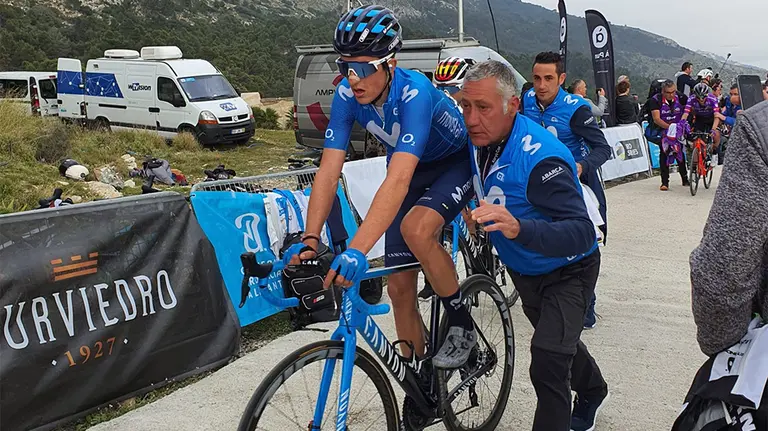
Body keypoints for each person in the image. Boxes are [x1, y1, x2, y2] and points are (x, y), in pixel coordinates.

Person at [284, 4, 476, 370]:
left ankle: (460, 319)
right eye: (344, 67)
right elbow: (327, 172)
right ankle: (420, 381)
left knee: (417, 230)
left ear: (390, 63)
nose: (352, 79)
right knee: (400, 291)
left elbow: (399, 180)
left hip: (453, 164)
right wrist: (311, 237)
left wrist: (356, 249)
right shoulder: (345, 98)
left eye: (361, 68)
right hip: (411, 169)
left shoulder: (415, 92)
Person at [461, 59, 610, 431]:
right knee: (560, 343)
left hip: (568, 270)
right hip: (526, 270)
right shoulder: (480, 140)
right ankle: (593, 389)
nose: (471, 118)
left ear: (512, 105)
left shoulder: (541, 159)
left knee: (547, 359)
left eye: (482, 108)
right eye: (466, 105)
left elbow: (581, 232)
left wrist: (518, 228)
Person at [687, 101, 768, 427]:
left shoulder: (760, 125)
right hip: (694, 129)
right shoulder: (693, 102)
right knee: (682, 145)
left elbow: (722, 268)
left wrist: (725, 346)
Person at [523, 52, 612, 330]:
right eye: (536, 78)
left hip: (574, 187)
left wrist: (581, 167)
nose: (541, 84)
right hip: (536, 187)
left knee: (581, 247)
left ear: (561, 79)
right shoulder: (526, 100)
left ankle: (587, 306)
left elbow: (603, 148)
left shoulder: (576, 108)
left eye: (549, 78)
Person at [646, 80, 689, 190]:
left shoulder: (681, 97)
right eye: (668, 92)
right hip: (663, 129)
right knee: (664, 152)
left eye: (673, 92)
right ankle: (665, 182)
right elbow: (656, 118)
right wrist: (670, 128)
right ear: (663, 91)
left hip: (678, 129)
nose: (671, 95)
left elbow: (688, 110)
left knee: (679, 152)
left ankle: (685, 179)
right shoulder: (655, 100)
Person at [681, 83, 722, 161]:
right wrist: (681, 124)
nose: (701, 99)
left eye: (703, 97)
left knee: (716, 134)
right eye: (698, 97)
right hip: (700, 118)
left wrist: (713, 129)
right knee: (696, 140)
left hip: (712, 118)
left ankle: (714, 152)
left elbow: (717, 116)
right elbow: (685, 113)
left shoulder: (712, 98)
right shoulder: (691, 99)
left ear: (707, 94)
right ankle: (695, 166)